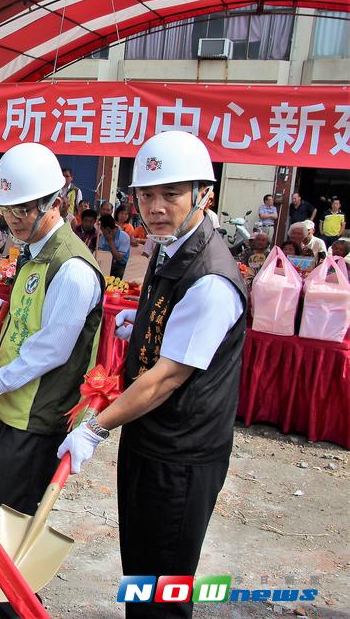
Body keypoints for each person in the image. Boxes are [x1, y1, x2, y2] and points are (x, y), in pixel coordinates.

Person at [58, 130, 246, 619]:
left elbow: (167, 378)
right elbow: (167, 316)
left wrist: (95, 428)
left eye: (171, 194)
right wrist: (141, 324)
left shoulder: (210, 277)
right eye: (146, 195)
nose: (156, 207)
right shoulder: (171, 245)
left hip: (181, 453)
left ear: (204, 195)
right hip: (150, 436)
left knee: (163, 584)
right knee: (140, 570)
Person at [0, 142, 103, 619]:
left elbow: (51, 350)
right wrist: (5, 310)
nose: (14, 219)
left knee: (18, 517)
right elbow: (34, 319)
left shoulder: (72, 268)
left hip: (38, 415)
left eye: (24, 209)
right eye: (8, 209)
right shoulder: (32, 253)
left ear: (53, 202)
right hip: (12, 406)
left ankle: (15, 606)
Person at [99, 214, 131, 279]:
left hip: (121, 265)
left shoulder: (124, 237)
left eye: (102, 229)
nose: (101, 231)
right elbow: (100, 253)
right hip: (106, 263)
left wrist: (110, 241)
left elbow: (119, 258)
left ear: (107, 229)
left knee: (120, 273)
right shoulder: (103, 236)